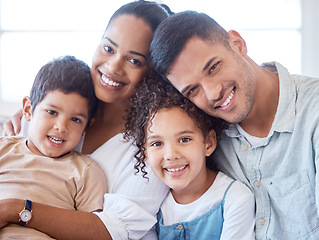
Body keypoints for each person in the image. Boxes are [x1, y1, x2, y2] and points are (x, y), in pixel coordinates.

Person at [149, 10, 319, 240]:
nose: (212, 93)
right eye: (193, 90)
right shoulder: (205, 136)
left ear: (237, 44)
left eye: (213, 67)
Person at [0, 1, 172, 239]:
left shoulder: (151, 145)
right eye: (108, 48)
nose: (113, 66)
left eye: (134, 60)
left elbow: (113, 230)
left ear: (153, 72)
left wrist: (16, 209)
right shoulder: (54, 101)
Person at [124, 72, 255, 240]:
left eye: (184, 139)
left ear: (208, 143)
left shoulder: (235, 198)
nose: (171, 155)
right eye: (157, 143)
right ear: (145, 153)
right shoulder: (152, 208)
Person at [0, 55, 107, 239]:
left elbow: (90, 231)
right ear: (28, 109)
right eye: (51, 112)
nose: (61, 127)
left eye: (75, 119)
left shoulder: (86, 172)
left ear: (87, 126)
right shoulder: (4, 149)